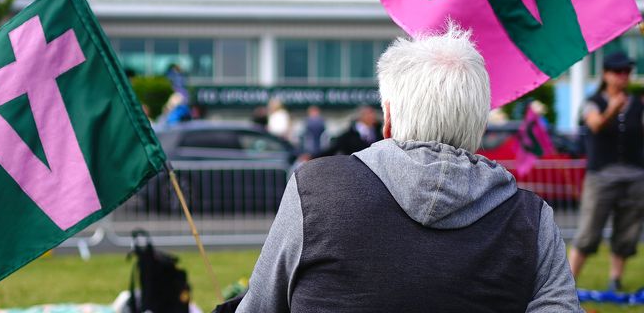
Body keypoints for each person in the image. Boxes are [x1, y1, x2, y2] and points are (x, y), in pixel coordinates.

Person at [235, 26, 579, 312]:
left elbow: (261, 306)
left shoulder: (315, 190)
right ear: (479, 127)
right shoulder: (531, 219)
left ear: (388, 117)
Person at [569, 51, 644, 292]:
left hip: (634, 177)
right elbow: (596, 125)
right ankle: (567, 283)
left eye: (627, 71)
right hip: (601, 178)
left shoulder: (638, 104)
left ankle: (615, 280)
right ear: (605, 74)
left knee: (626, 234)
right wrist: (613, 109)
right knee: (588, 233)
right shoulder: (593, 102)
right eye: (618, 71)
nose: (623, 76)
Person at [313, 105, 381, 157]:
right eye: (368, 114)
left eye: (372, 113)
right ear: (361, 116)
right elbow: (333, 149)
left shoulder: (378, 132)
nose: (372, 116)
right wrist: (313, 157)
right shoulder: (349, 135)